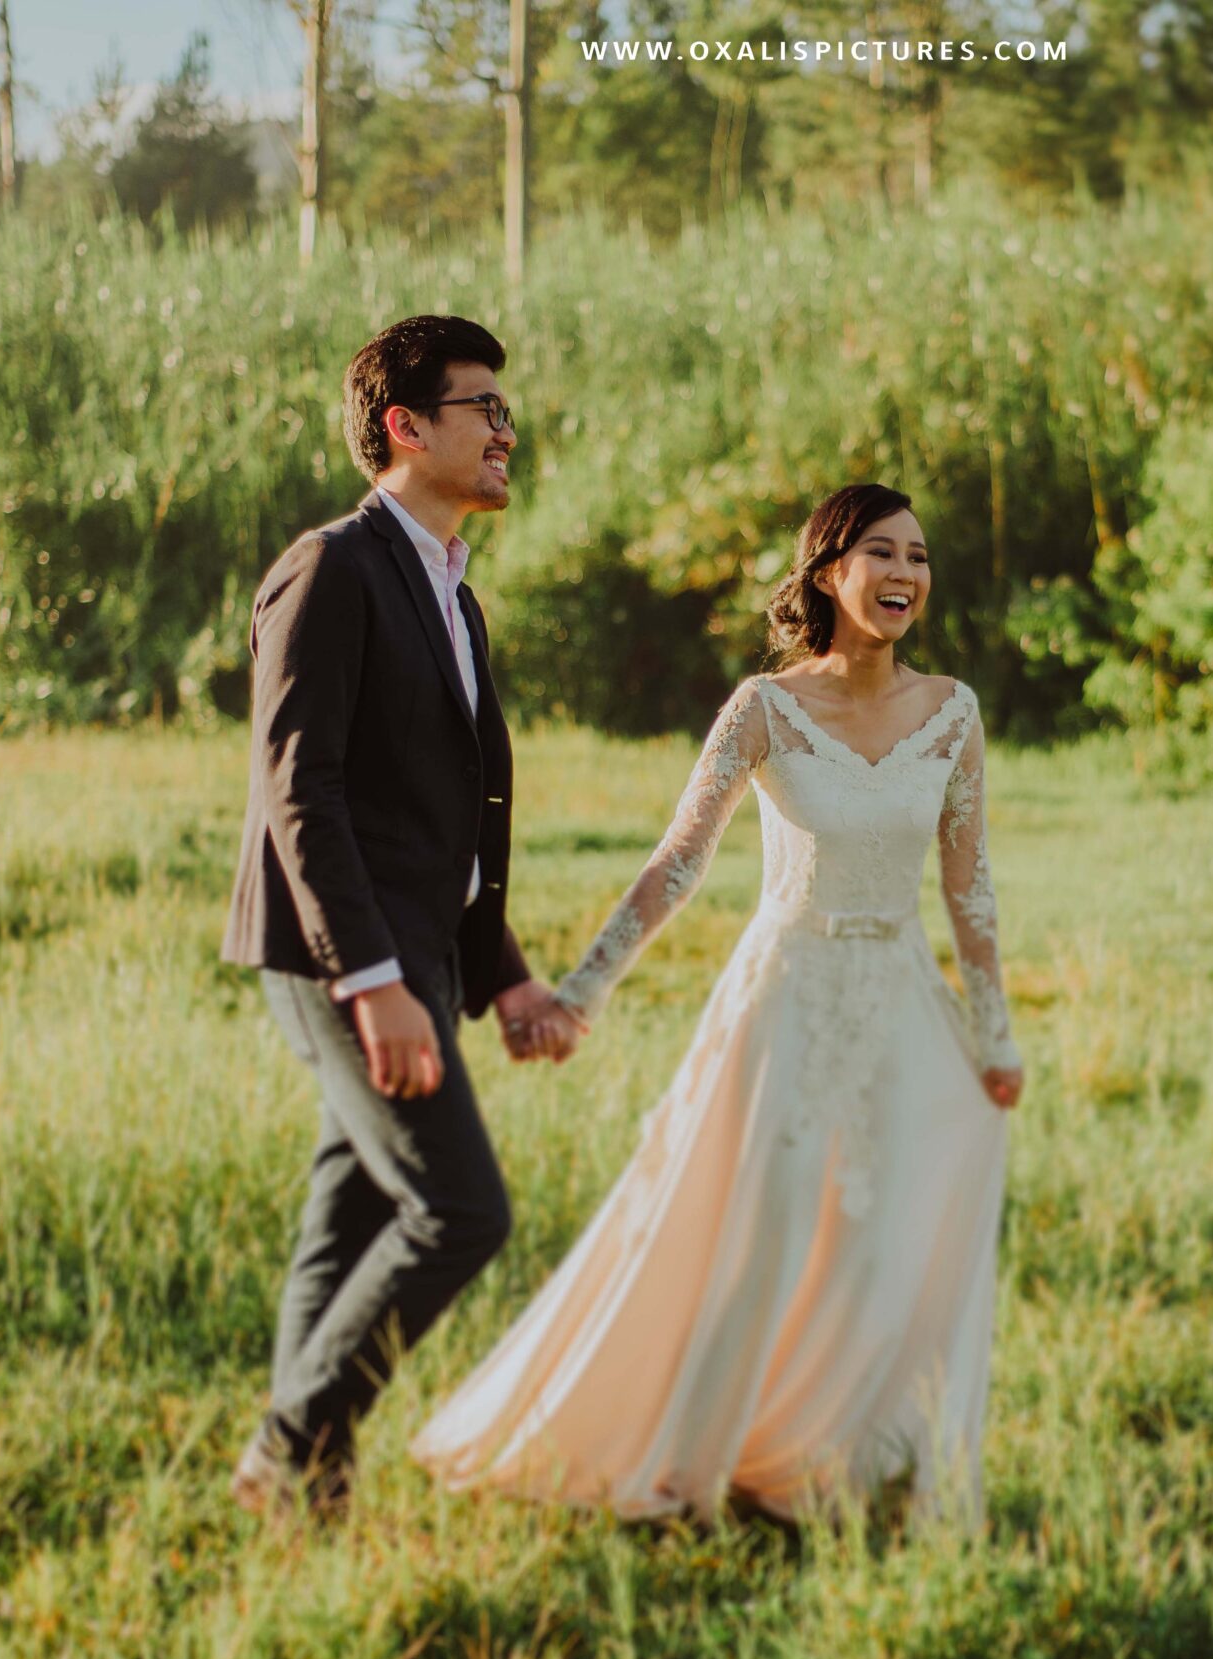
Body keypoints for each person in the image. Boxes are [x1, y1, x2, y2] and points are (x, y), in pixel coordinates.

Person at [409, 481, 1027, 1527]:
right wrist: (581, 993)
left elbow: (969, 886)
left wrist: (993, 1036)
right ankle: (695, 1456)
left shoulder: (951, 713)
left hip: (902, 1003)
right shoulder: (764, 709)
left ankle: (822, 1463)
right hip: (785, 1001)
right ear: (829, 571)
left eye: (919, 556)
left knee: (877, 1242)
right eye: (882, 553)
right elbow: (677, 864)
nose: (906, 575)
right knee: (766, 1230)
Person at [220, 314, 581, 1525]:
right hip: (342, 956)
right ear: (405, 426)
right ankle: (288, 1445)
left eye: (506, 412)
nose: (508, 433)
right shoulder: (331, 567)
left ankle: (302, 1486)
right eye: (485, 409)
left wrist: (502, 972)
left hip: (416, 951)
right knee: (459, 1209)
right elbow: (300, 790)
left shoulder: (452, 594)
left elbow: (441, 817)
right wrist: (369, 979)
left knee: (353, 1214)